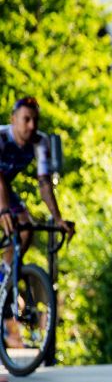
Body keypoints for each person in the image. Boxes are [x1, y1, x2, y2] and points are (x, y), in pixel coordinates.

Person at [0, 97, 75, 262]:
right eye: (26, 119)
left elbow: (44, 183)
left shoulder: (40, 141)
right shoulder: (1, 137)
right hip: (1, 186)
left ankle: (3, 279)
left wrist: (58, 218)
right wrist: (4, 208)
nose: (32, 126)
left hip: (4, 187)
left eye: (35, 120)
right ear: (13, 119)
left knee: (27, 229)